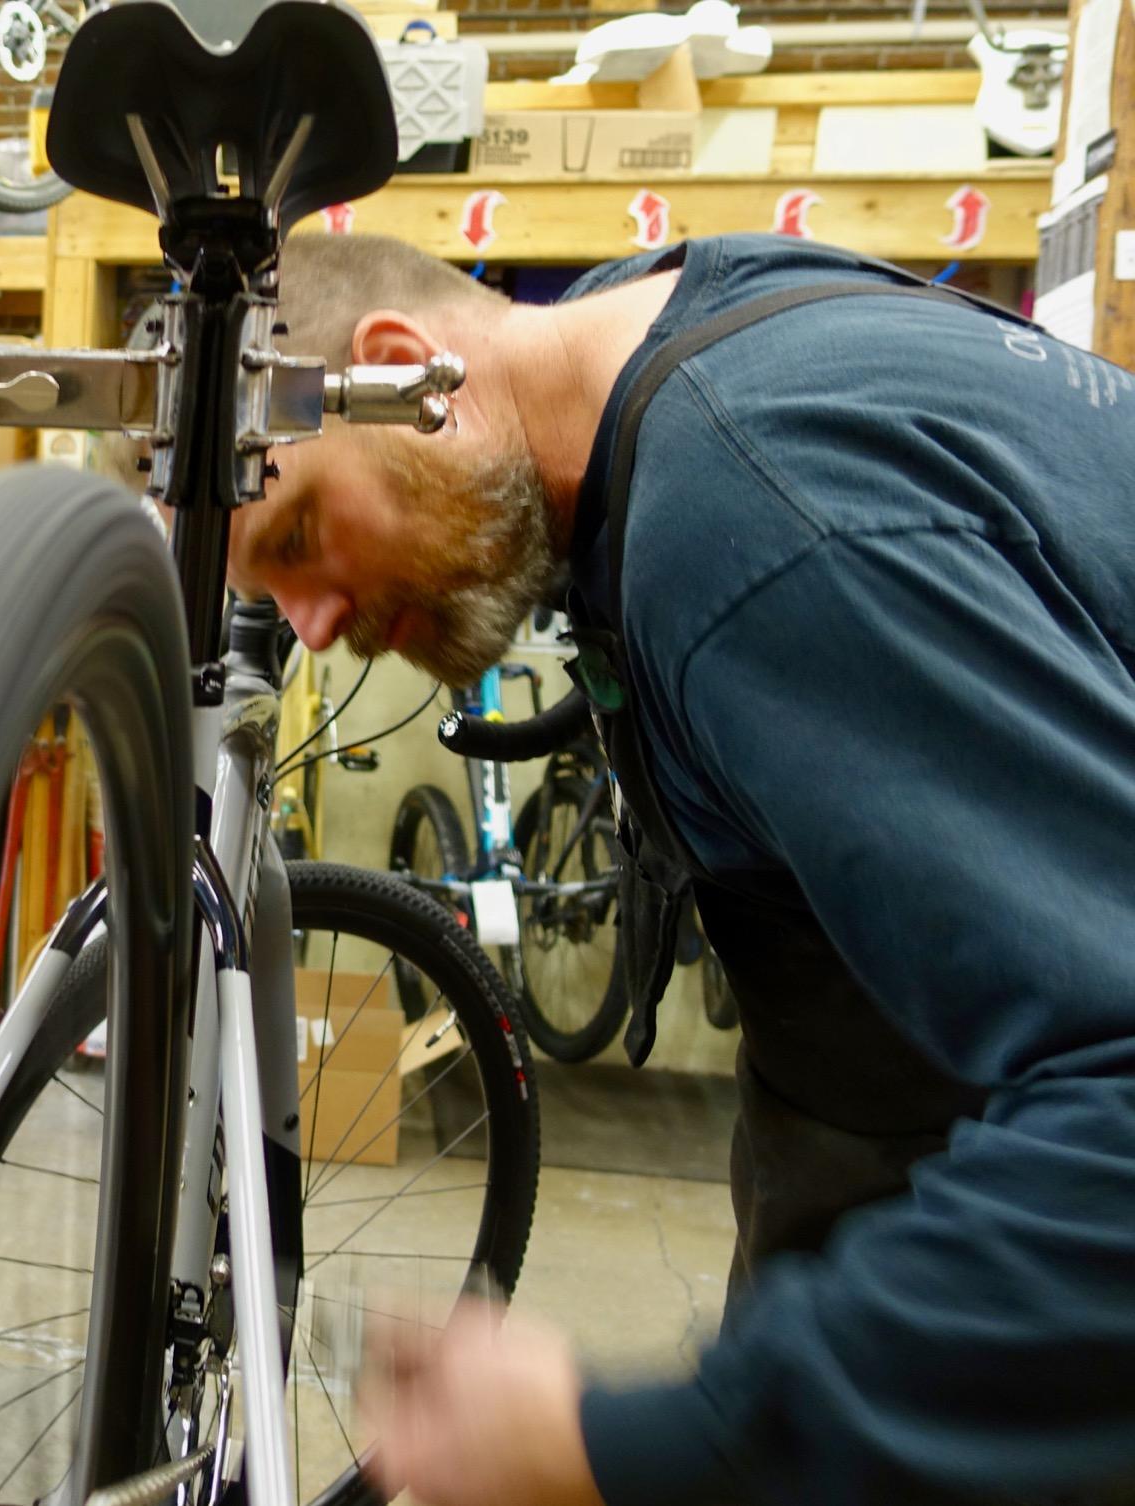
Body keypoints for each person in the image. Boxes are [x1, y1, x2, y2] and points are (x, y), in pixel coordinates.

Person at [227, 232, 1135, 1506]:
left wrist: (652, 1445)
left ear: (407, 372)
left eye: (300, 532)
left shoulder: (747, 520)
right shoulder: (655, 333)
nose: (313, 629)